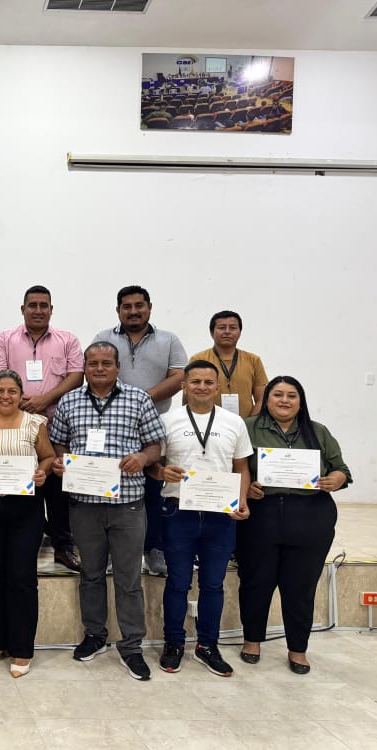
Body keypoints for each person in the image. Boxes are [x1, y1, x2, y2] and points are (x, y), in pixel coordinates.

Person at [50, 342, 164, 681]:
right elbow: (59, 441)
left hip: (127, 504)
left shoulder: (139, 399)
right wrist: (63, 462)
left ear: (118, 367)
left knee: (129, 579)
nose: (99, 368)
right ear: (84, 367)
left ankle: (131, 645)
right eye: (93, 363)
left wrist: (142, 458)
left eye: (106, 363)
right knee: (91, 574)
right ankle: (95, 635)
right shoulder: (69, 401)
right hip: (84, 505)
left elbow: (155, 445)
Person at [239, 376, 352, 674]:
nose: (284, 401)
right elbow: (234, 467)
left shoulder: (318, 431)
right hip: (262, 514)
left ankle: (298, 649)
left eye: (292, 395)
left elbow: (342, 470)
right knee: (256, 580)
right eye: (278, 394)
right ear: (267, 399)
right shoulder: (247, 428)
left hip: (310, 514)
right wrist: (247, 489)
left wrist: (335, 480)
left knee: (300, 586)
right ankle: (252, 640)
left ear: (301, 402)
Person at [150, 360, 251, 676]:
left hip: (221, 514)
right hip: (178, 511)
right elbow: (153, 464)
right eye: (195, 382)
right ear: (184, 386)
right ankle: (174, 643)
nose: (202, 387)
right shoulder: (167, 420)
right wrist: (161, 473)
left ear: (217, 387)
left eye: (209, 382)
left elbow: (241, 467)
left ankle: (208, 645)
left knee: (213, 584)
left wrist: (242, 500)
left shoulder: (235, 422)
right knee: (178, 582)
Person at [0, 370, 55, 678]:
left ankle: (22, 648)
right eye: (0, 390)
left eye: (12, 391)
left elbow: (47, 457)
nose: (5, 396)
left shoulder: (33, 423)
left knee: (22, 578)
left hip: (26, 510)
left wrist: (43, 472)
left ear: (21, 394)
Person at [94, 285, 187, 577]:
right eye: (127, 306)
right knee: (112, 486)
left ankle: (154, 548)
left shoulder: (169, 340)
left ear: (149, 307)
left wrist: (141, 399)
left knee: (153, 488)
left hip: (156, 424)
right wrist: (127, 405)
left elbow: (179, 376)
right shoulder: (104, 338)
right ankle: (111, 550)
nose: (133, 311)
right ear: (118, 310)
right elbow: (96, 372)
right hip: (113, 425)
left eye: (139, 306)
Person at [0, 285, 83, 572]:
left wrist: (44, 399)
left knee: (58, 487)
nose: (38, 310)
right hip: (15, 426)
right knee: (21, 482)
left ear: (51, 310)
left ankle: (62, 546)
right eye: (33, 305)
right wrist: (20, 403)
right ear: (23, 309)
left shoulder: (68, 340)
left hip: (58, 425)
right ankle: (22, 542)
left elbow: (76, 376)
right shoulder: (5, 339)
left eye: (44, 305)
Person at [189, 310, 268, 418]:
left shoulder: (253, 360)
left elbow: (262, 400)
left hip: (245, 424)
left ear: (240, 332)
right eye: (222, 328)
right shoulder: (198, 359)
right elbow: (189, 398)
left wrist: (248, 423)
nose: (227, 332)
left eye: (232, 328)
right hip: (208, 424)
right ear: (211, 332)